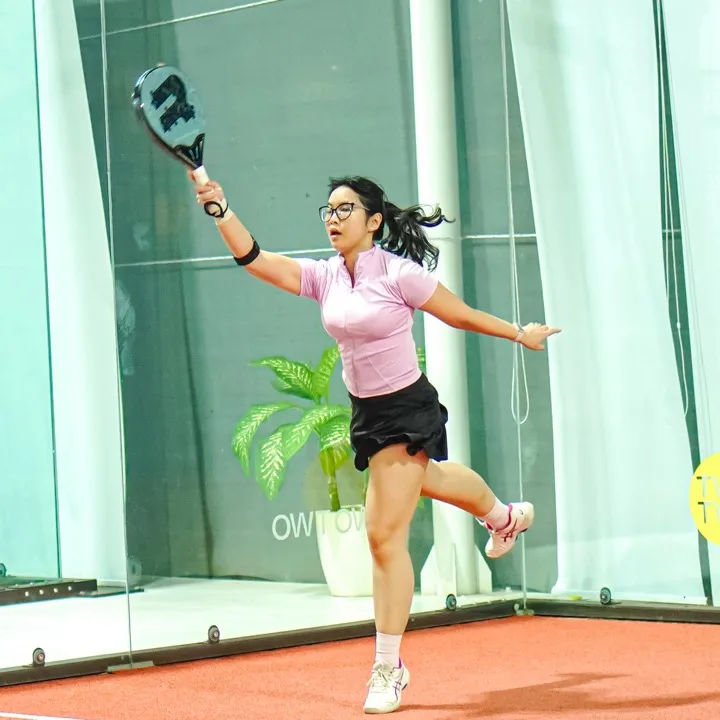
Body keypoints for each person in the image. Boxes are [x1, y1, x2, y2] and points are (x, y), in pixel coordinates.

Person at [190, 171, 560, 714]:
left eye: (346, 209)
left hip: (407, 408)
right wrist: (221, 211)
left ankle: (389, 667)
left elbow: (458, 314)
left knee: (384, 537)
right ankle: (503, 516)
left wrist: (519, 332)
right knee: (428, 479)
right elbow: (256, 260)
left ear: (374, 221)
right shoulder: (325, 276)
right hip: (367, 413)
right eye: (329, 210)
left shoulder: (398, 273)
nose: (334, 218)